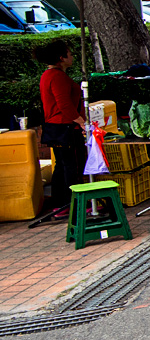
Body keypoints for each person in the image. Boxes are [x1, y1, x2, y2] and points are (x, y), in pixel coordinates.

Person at [35, 40, 85, 219]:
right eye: (69, 54)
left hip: (54, 127)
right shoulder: (58, 77)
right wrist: (80, 121)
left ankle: (61, 204)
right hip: (64, 127)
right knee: (72, 166)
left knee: (62, 166)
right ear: (61, 58)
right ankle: (73, 203)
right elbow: (64, 103)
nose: (72, 57)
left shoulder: (47, 75)